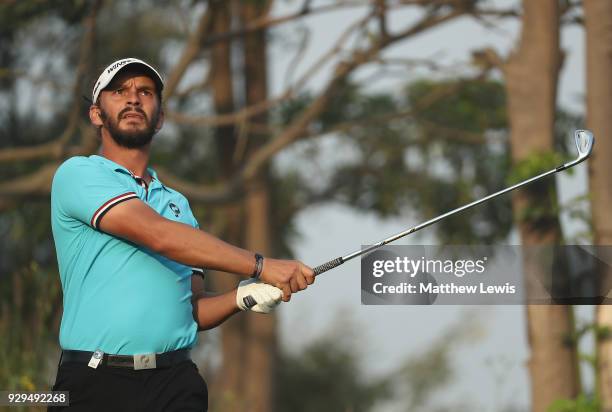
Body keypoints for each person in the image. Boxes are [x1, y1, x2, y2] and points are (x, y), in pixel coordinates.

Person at [48, 57, 315, 412]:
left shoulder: (177, 204)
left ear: (159, 118)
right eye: (119, 91)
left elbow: (189, 310)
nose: (132, 99)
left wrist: (240, 298)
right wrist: (260, 265)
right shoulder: (78, 174)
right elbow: (159, 235)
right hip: (94, 382)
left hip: (175, 382)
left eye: (145, 92)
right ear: (97, 114)